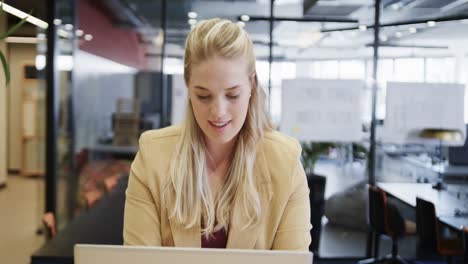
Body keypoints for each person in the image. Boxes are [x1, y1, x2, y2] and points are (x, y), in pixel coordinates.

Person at [123, 18, 311, 250]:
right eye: (203, 96)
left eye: (232, 95)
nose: (218, 112)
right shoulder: (153, 156)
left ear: (252, 85)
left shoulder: (285, 161)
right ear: (188, 87)